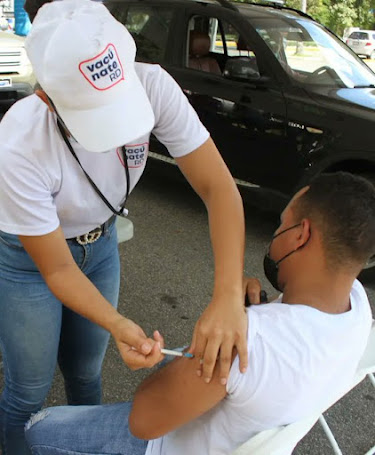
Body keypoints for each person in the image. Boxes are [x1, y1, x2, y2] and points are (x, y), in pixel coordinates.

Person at [0, 1, 248, 454]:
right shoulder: (18, 141)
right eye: (94, 117)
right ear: (46, 96)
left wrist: (229, 295)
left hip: (102, 243)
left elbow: (219, 188)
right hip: (29, 263)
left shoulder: (153, 84)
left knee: (86, 372)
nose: (116, 134)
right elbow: (55, 269)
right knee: (28, 389)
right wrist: (118, 323)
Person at [24, 172, 375, 455]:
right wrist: (248, 307)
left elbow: (143, 421)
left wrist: (182, 358)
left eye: (282, 225)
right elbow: (286, 342)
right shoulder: (356, 305)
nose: (275, 236)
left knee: (40, 428)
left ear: (301, 235)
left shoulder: (247, 342)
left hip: (162, 443)